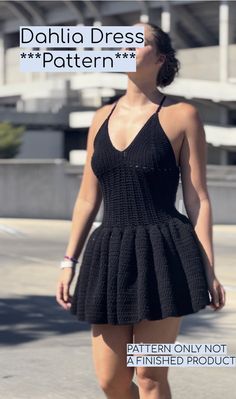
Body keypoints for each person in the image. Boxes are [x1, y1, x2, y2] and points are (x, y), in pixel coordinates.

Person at [56, 22, 226, 399]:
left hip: (164, 252)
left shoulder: (182, 115)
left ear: (160, 58)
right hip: (109, 253)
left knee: (150, 377)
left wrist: (210, 268)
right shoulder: (100, 117)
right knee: (111, 380)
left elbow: (198, 196)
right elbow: (87, 197)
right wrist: (69, 261)